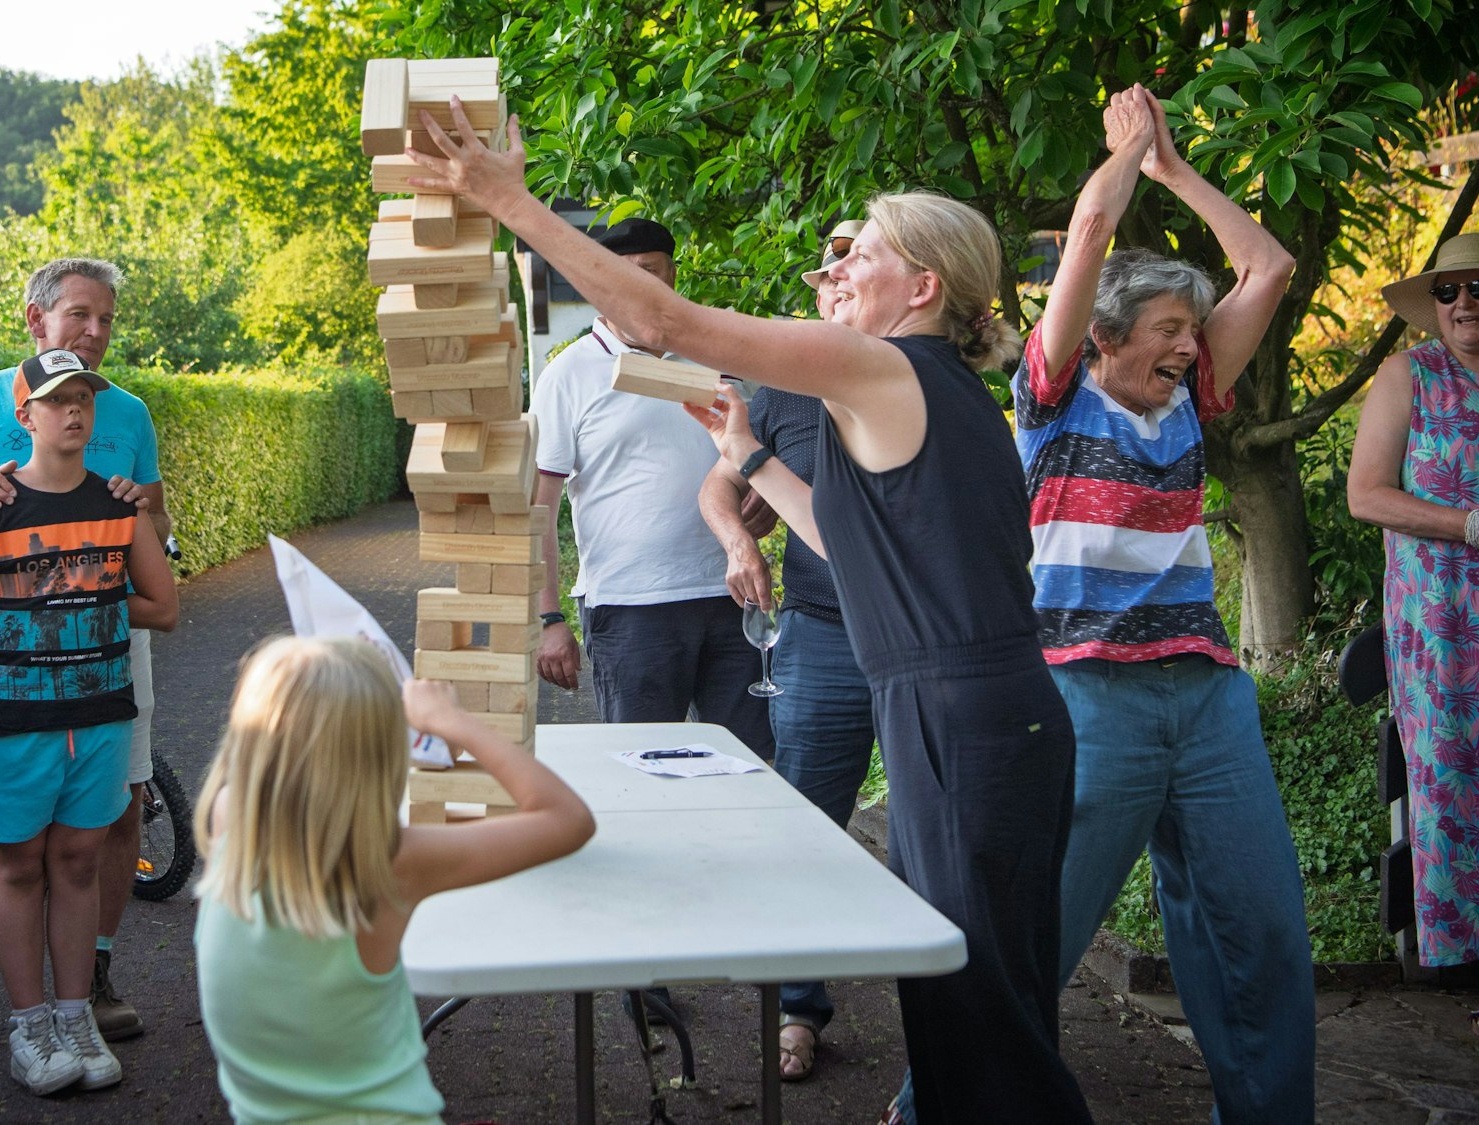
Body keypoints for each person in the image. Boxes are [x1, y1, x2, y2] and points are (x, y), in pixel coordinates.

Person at [409, 105, 1092, 1124]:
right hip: (970, 712)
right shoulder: (923, 388)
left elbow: (661, 326)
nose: (831, 272)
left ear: (922, 287)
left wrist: (509, 202)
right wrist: (751, 463)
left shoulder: (885, 366)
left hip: (969, 718)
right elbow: (855, 554)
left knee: (986, 1015)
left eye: (854, 254)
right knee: (966, 1002)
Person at [1013, 86, 1310, 1122]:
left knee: (1261, 931)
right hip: (1089, 695)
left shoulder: (1190, 396)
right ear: (1101, 337)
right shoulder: (1051, 397)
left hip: (1207, 698)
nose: (1187, 346)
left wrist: (1175, 170)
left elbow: (1266, 266)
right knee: (1041, 930)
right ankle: (932, 1100)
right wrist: (1124, 154)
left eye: (1193, 328)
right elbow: (1089, 229)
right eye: (1166, 329)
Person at [0, 258, 167, 1075]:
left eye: (108, 321)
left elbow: (153, 544)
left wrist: (86, 582)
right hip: (5, 656)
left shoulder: (129, 411)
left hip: (103, 658)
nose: (96, 334)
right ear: (36, 319)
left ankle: (82, 994)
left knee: (105, 825)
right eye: (80, 316)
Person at [192, 636, 595, 1124]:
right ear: (377, 752)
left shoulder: (226, 816)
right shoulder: (387, 862)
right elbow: (568, 819)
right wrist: (455, 722)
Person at [695, 218, 878, 1083]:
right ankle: (798, 1009)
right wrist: (738, 540)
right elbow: (719, 481)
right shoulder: (784, 387)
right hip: (822, 639)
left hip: (920, 644)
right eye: (828, 266)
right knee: (806, 826)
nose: (836, 276)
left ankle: (954, 1028)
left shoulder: (916, 379)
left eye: (856, 257)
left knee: (935, 836)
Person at [1348, 229, 1479, 1043]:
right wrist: (1475, 525)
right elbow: (1367, 495)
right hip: (1444, 628)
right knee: (1462, 781)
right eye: (1447, 293)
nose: (1461, 305)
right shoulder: (1408, 375)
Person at [531, 217, 773, 753]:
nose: (638, 285)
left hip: (732, 597)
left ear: (672, 276)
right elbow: (538, 508)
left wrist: (766, 497)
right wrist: (548, 617)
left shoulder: (719, 357)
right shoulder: (569, 374)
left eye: (650, 271)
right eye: (622, 273)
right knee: (646, 767)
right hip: (633, 606)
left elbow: (758, 452)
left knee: (747, 764)